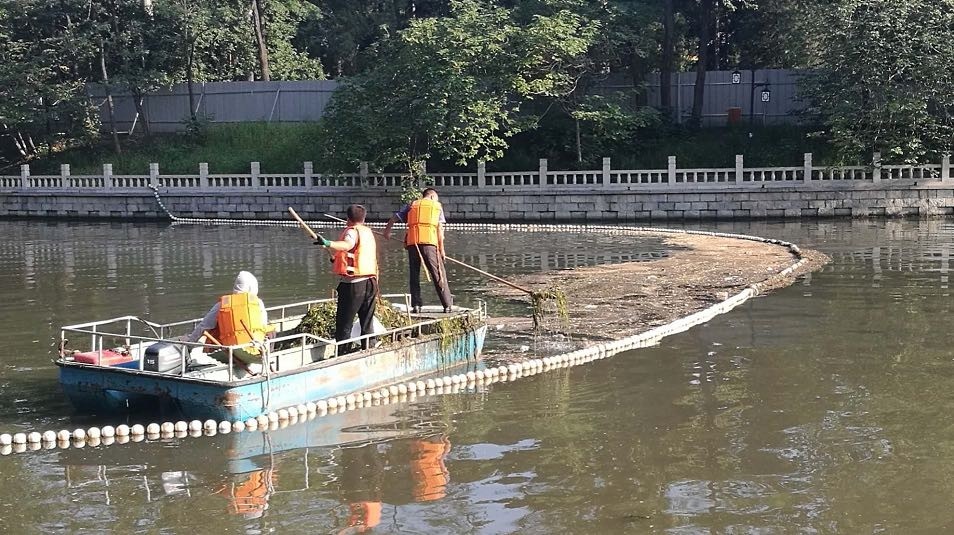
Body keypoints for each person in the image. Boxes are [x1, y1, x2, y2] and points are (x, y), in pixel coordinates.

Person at [315, 204, 379, 350]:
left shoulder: (352, 232)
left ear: (348, 219)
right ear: (364, 218)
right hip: (370, 282)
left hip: (354, 285)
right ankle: (370, 347)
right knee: (367, 320)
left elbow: (348, 245)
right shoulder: (367, 232)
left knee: (344, 321)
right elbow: (355, 254)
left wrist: (327, 242)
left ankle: (343, 352)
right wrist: (335, 259)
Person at [383, 188, 453, 313]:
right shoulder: (436, 206)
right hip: (429, 243)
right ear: (432, 196)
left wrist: (387, 232)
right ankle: (447, 305)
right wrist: (442, 250)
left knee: (414, 275)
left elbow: (394, 218)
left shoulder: (411, 205)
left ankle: (416, 305)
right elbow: (440, 230)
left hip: (413, 243)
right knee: (438, 274)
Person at [186, 271, 269, 367]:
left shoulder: (222, 305)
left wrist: (189, 346)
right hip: (255, 350)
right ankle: (268, 358)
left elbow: (203, 326)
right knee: (271, 331)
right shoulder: (258, 303)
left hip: (226, 352)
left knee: (214, 329)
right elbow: (263, 326)